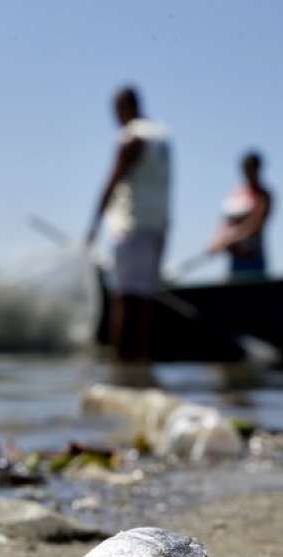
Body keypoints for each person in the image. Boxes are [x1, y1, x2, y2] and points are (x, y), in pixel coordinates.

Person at [86, 86, 171, 361]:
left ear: (125, 107)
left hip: (131, 226)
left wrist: (93, 224)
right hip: (158, 225)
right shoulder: (161, 135)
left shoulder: (131, 137)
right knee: (144, 300)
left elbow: (113, 179)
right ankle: (141, 366)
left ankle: (121, 369)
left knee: (124, 300)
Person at [209, 151, 272, 278]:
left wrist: (229, 239)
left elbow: (256, 224)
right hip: (235, 259)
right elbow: (225, 222)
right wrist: (217, 240)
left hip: (253, 258)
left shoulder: (263, 195)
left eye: (251, 169)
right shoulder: (236, 194)